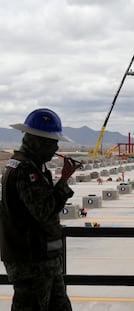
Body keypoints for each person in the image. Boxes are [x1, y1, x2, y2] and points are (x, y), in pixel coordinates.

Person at [0, 108, 81, 310]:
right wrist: (63, 180)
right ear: (39, 142)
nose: (55, 149)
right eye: (53, 143)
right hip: (31, 262)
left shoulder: (31, 167)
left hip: (44, 259)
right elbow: (44, 212)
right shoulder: (26, 170)